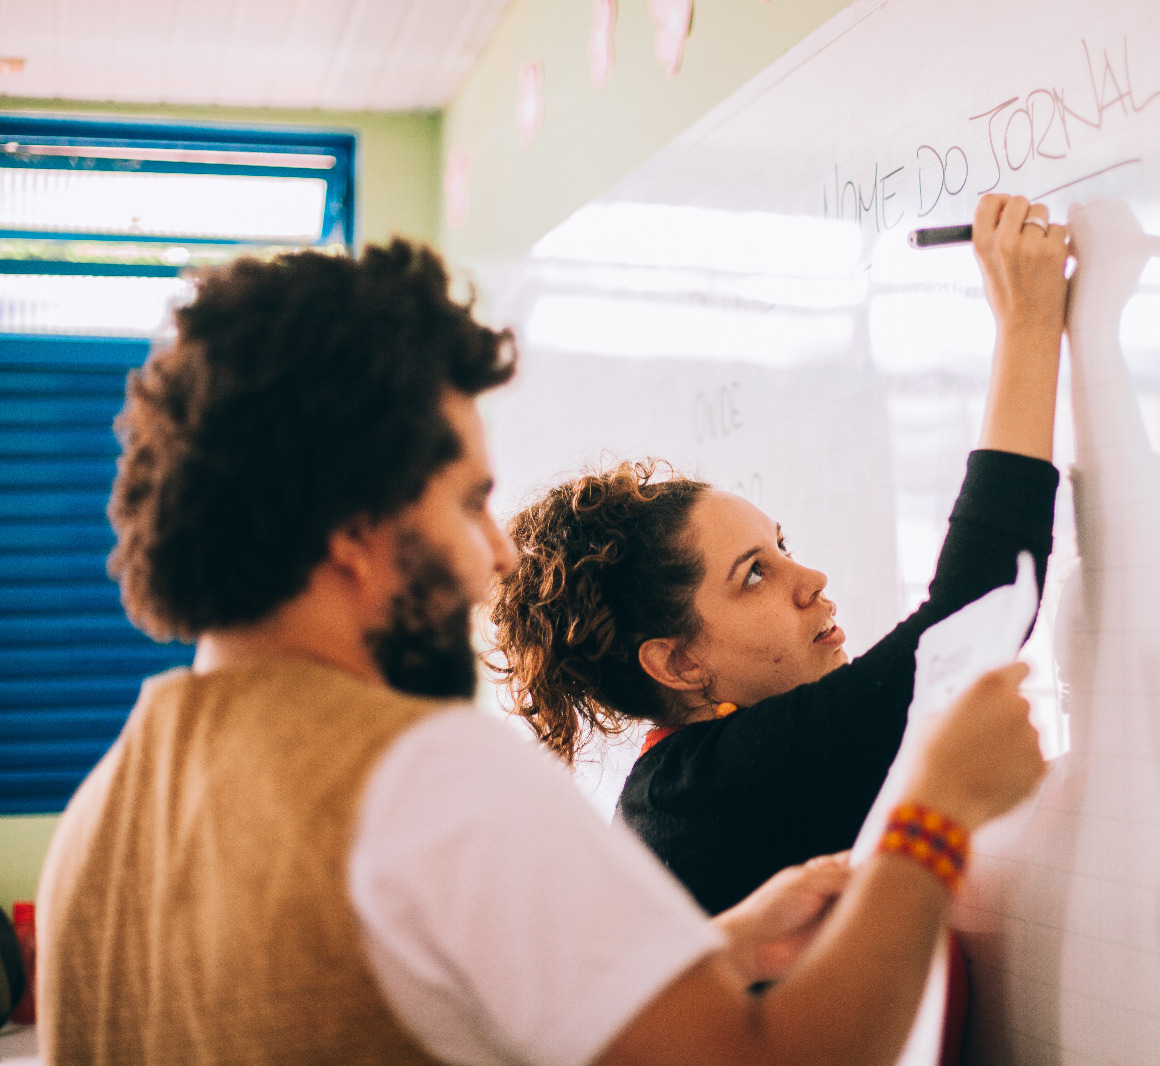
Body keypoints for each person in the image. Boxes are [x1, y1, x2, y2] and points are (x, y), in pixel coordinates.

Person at [35, 241, 1047, 1065]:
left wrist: (709, 950)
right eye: (469, 501)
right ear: (358, 530)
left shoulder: (98, 825)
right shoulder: (422, 779)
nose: (495, 555)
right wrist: (933, 817)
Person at [491, 192, 1071, 914]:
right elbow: (972, 616)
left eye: (782, 547)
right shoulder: (719, 787)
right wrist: (1030, 319)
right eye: (755, 574)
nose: (812, 580)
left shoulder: (679, 786)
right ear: (678, 662)